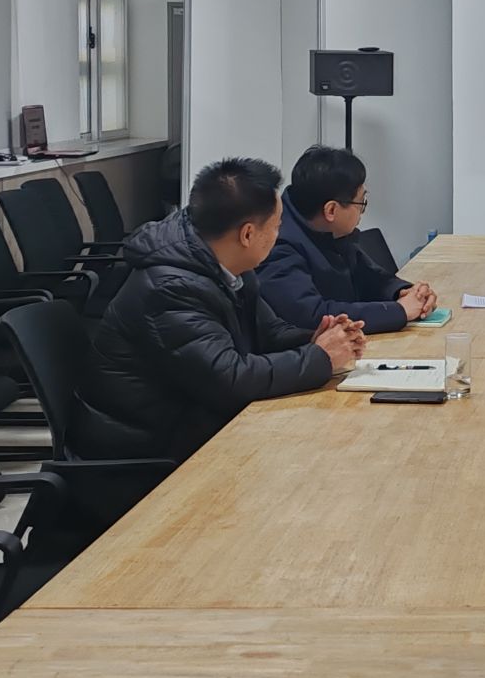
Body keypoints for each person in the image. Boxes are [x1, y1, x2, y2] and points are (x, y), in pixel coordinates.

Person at [78, 156, 366, 462]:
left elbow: (269, 331)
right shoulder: (169, 289)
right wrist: (319, 357)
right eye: (277, 226)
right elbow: (231, 380)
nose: (279, 234)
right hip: (146, 456)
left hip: (195, 428)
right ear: (247, 235)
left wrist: (317, 338)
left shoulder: (227, 263)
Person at [258, 145, 437, 334]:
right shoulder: (277, 246)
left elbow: (369, 277)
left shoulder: (326, 229)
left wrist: (404, 292)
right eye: (361, 202)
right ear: (331, 210)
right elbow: (312, 316)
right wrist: (399, 311)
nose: (362, 211)